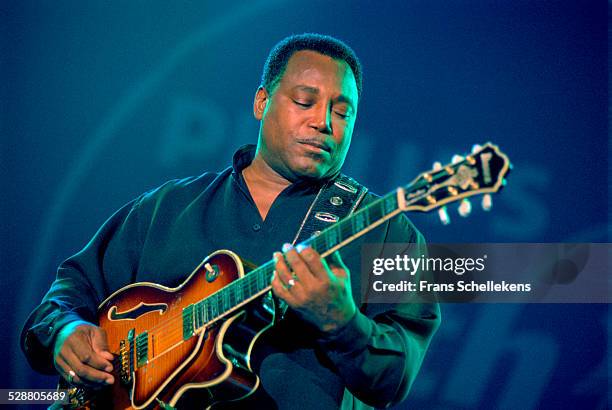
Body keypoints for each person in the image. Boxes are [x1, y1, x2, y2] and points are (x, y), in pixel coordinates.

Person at [21, 33, 440, 409]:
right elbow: (69, 290)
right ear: (262, 102)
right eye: (304, 101)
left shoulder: (389, 232)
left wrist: (341, 321)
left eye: (342, 112)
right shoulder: (167, 207)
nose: (323, 122)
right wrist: (65, 330)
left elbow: (395, 377)